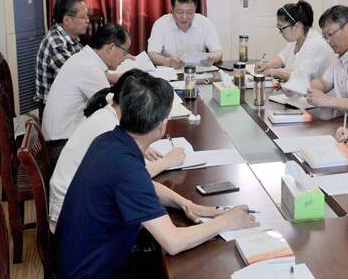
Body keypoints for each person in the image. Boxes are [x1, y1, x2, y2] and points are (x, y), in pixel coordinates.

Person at [55, 71, 257, 278]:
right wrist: (227, 221)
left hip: (80, 261)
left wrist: (185, 203)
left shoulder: (108, 140)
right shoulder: (126, 168)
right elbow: (173, 242)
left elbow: (142, 185)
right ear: (162, 124)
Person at [48, 69, 187, 233]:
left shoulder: (107, 115)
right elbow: (132, 177)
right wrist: (167, 161)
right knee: (159, 222)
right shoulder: (108, 128)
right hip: (71, 219)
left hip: (76, 207)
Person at [42, 23, 131, 151]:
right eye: (125, 52)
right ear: (111, 47)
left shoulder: (85, 58)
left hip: (60, 137)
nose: (125, 58)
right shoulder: (90, 68)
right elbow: (112, 112)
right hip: (62, 145)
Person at [305, 5, 348, 113]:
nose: (328, 41)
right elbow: (324, 83)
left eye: (330, 34)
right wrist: (298, 87)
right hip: (345, 119)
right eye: (325, 37)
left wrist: (328, 101)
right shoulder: (340, 55)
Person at [35, 0, 89, 117]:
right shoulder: (55, 43)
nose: (87, 20)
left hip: (65, 103)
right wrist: (110, 77)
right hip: (54, 112)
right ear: (67, 20)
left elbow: (86, 64)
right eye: (83, 17)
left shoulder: (71, 37)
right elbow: (77, 77)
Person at [255, 0, 334, 83]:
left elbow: (301, 77)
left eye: (282, 28)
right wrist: (266, 66)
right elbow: (282, 58)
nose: (280, 32)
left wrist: (275, 72)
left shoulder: (316, 45)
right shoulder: (296, 39)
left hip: (314, 89)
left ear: (297, 26)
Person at [147, 0, 223, 68]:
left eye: (190, 12)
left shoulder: (205, 23)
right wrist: (169, 61)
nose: (184, 17)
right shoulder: (161, 24)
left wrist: (212, 58)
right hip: (170, 71)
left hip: (199, 71)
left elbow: (218, 52)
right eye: (180, 12)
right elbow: (152, 54)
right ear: (172, 9)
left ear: (195, 9)